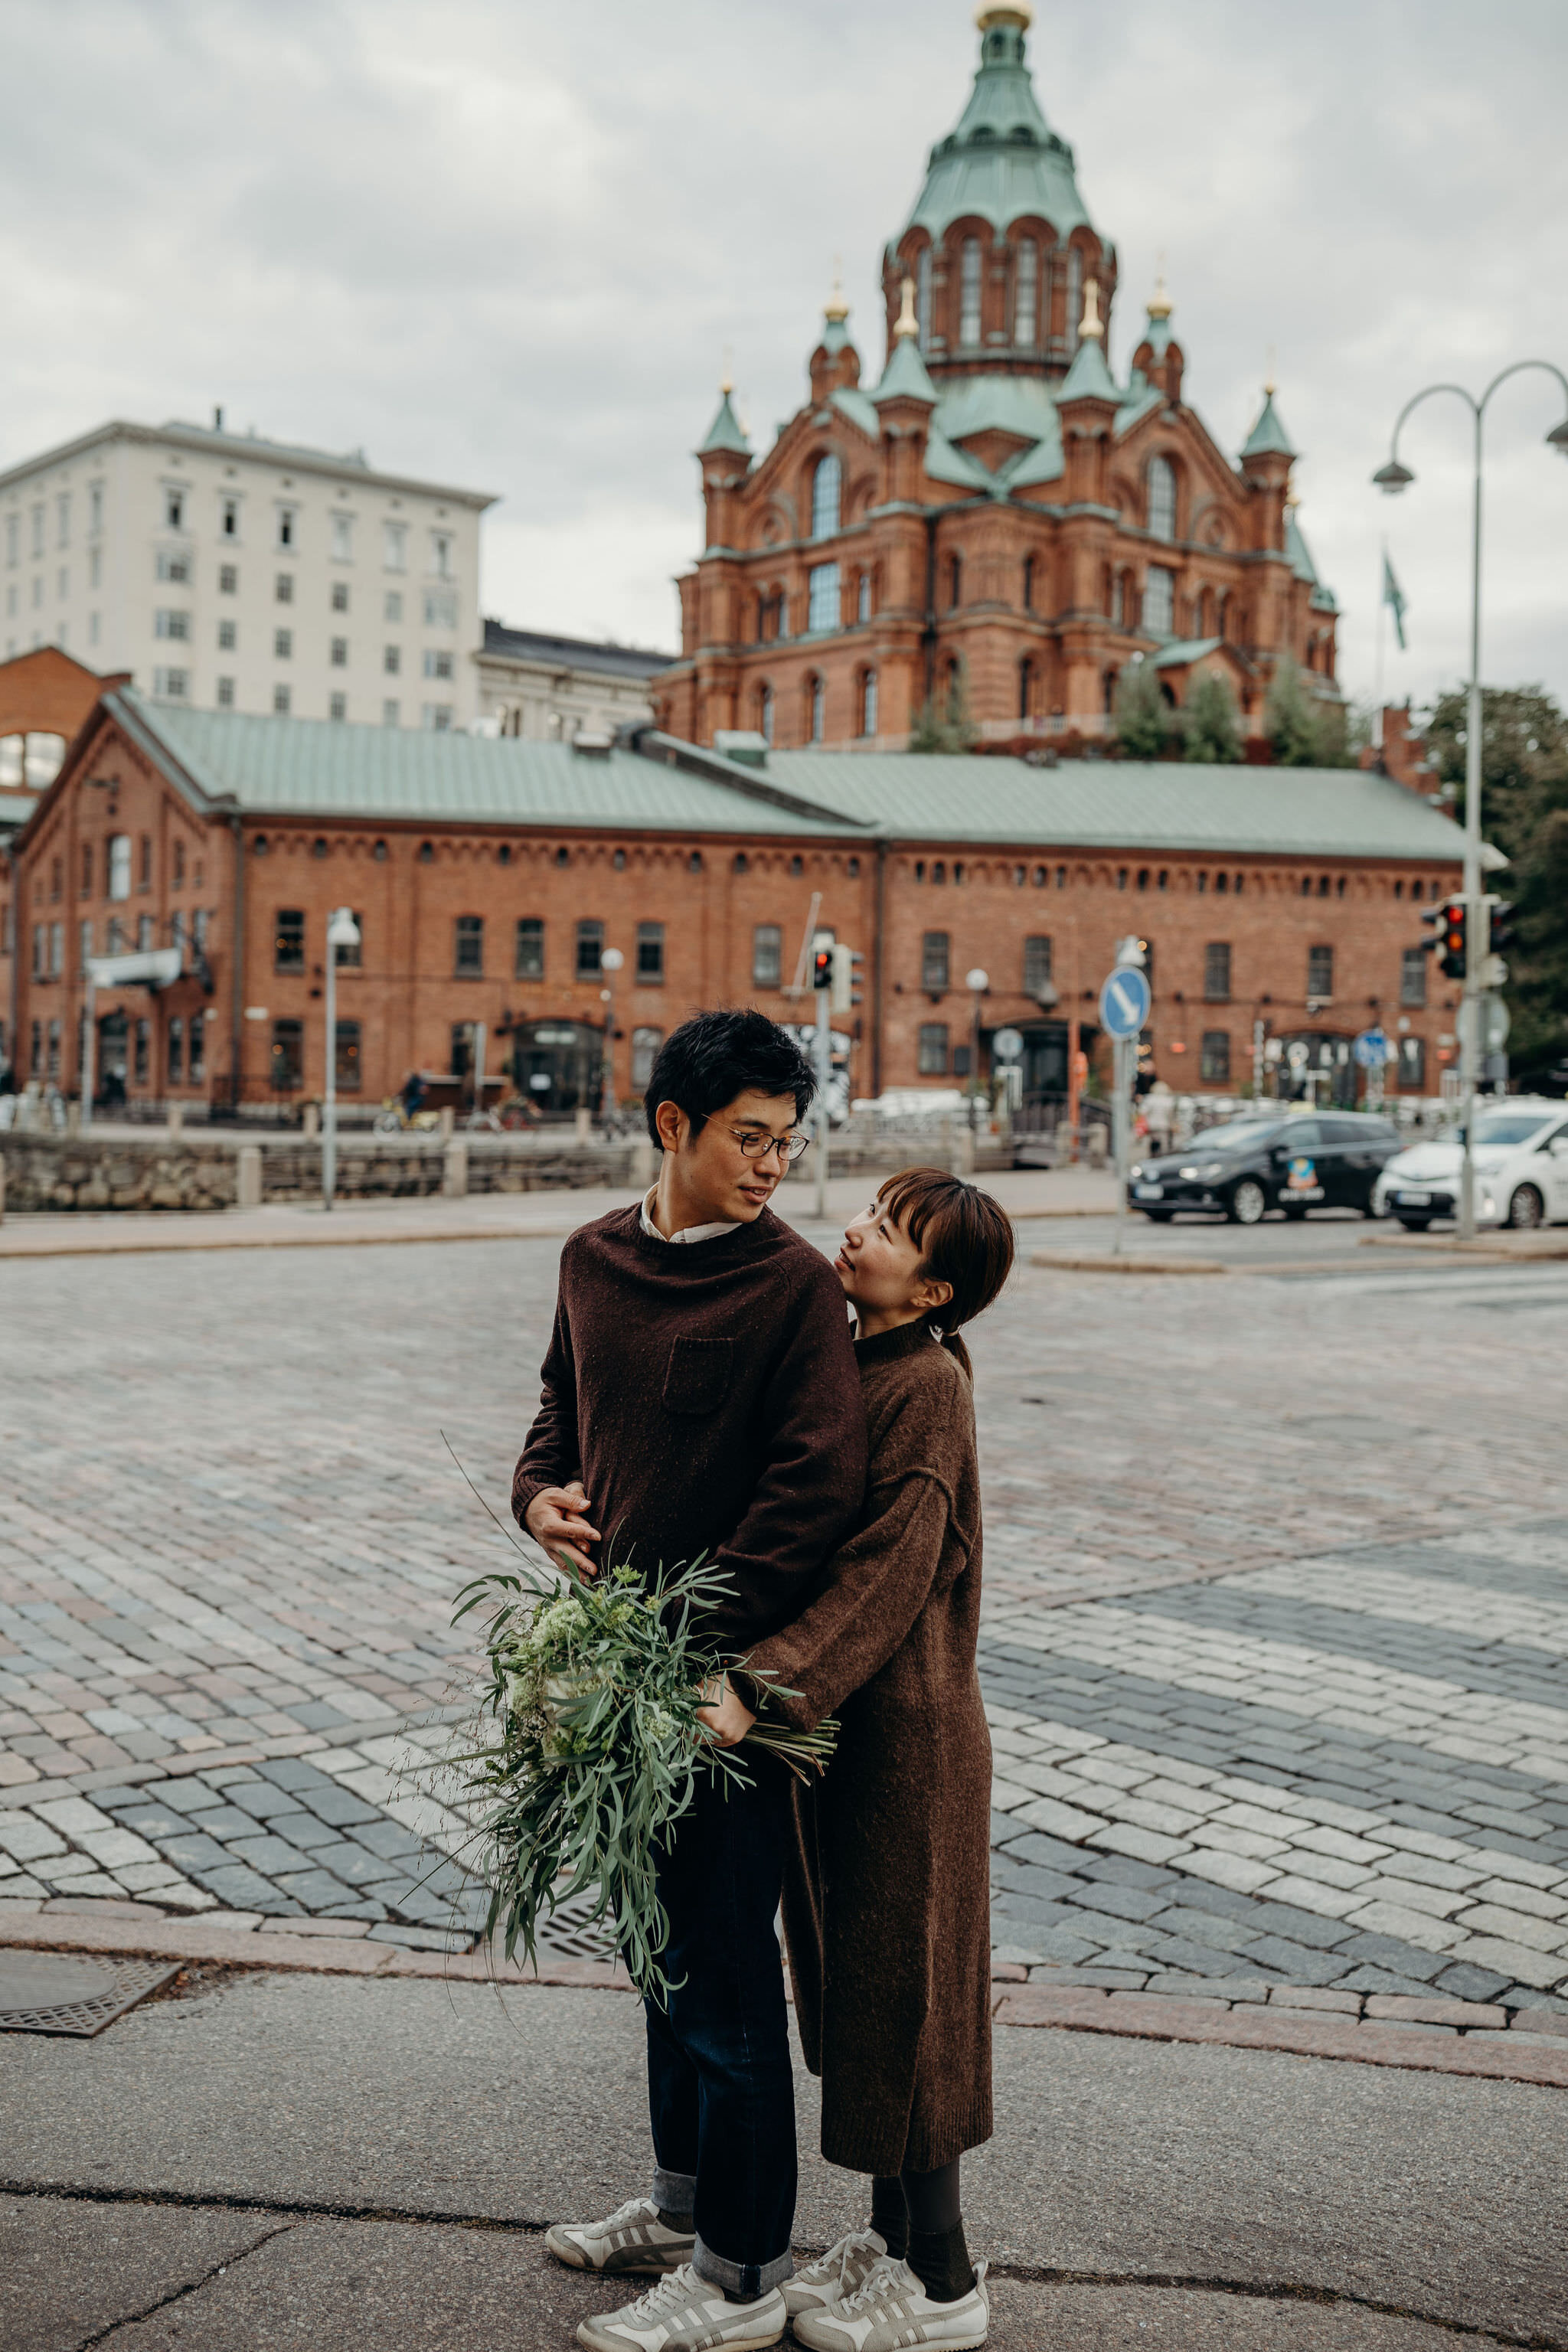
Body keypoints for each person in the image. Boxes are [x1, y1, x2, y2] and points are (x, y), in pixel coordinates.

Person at [514, 1008, 867, 2352]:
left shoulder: (791, 1288)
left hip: (715, 1699)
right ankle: (676, 2207)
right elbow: (559, 1403)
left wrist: (687, 1644)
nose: (774, 1166)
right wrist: (538, 1497)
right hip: (614, 1689)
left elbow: (815, 1490)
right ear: (673, 1126)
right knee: (658, 1964)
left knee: (724, 1982)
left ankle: (740, 2274)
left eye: (787, 1141)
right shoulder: (591, 1257)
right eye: (748, 1139)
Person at [704, 1167, 1014, 2352]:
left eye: (885, 1230)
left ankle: (943, 2282)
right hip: (851, 1736)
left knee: (911, 2006)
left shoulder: (926, 1383)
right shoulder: (860, 1355)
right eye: (873, 1212)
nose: (854, 1229)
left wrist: (754, 1685)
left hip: (911, 1744)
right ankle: (889, 2242)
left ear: (933, 1288)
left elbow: (889, 1567)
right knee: (862, 1995)